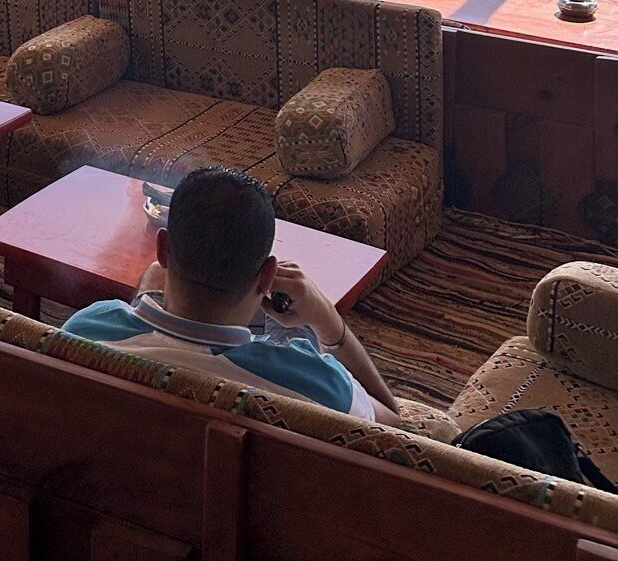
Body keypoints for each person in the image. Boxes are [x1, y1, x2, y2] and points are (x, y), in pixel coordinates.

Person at [61, 166, 398, 419]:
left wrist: (146, 300)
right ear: (267, 276)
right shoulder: (318, 384)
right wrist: (328, 320)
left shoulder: (85, 331)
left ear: (163, 249)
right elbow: (391, 425)